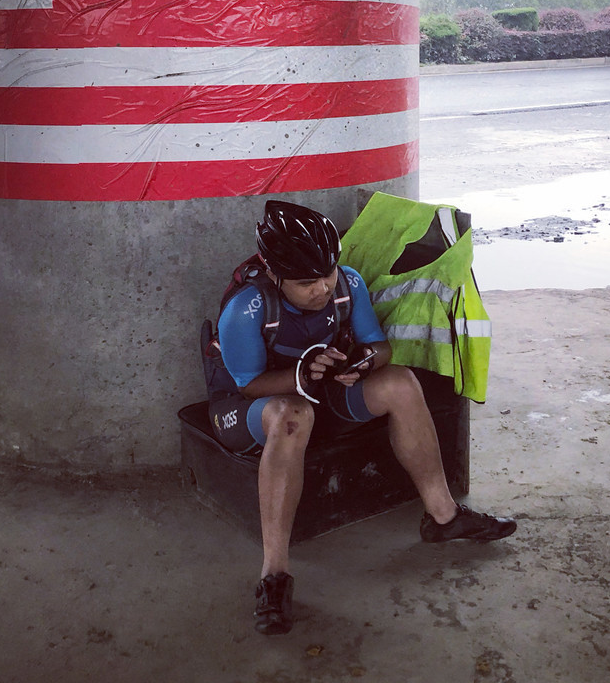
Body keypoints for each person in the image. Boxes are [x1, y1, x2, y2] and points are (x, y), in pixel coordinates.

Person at [210, 200, 517, 635]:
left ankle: (444, 516)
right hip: (251, 407)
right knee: (291, 414)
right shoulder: (247, 308)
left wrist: (364, 361)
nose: (321, 288)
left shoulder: (347, 285)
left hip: (319, 392)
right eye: (305, 282)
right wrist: (299, 374)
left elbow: (381, 346)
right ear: (274, 276)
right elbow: (246, 383)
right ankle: (273, 575)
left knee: (400, 382)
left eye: (327, 273)